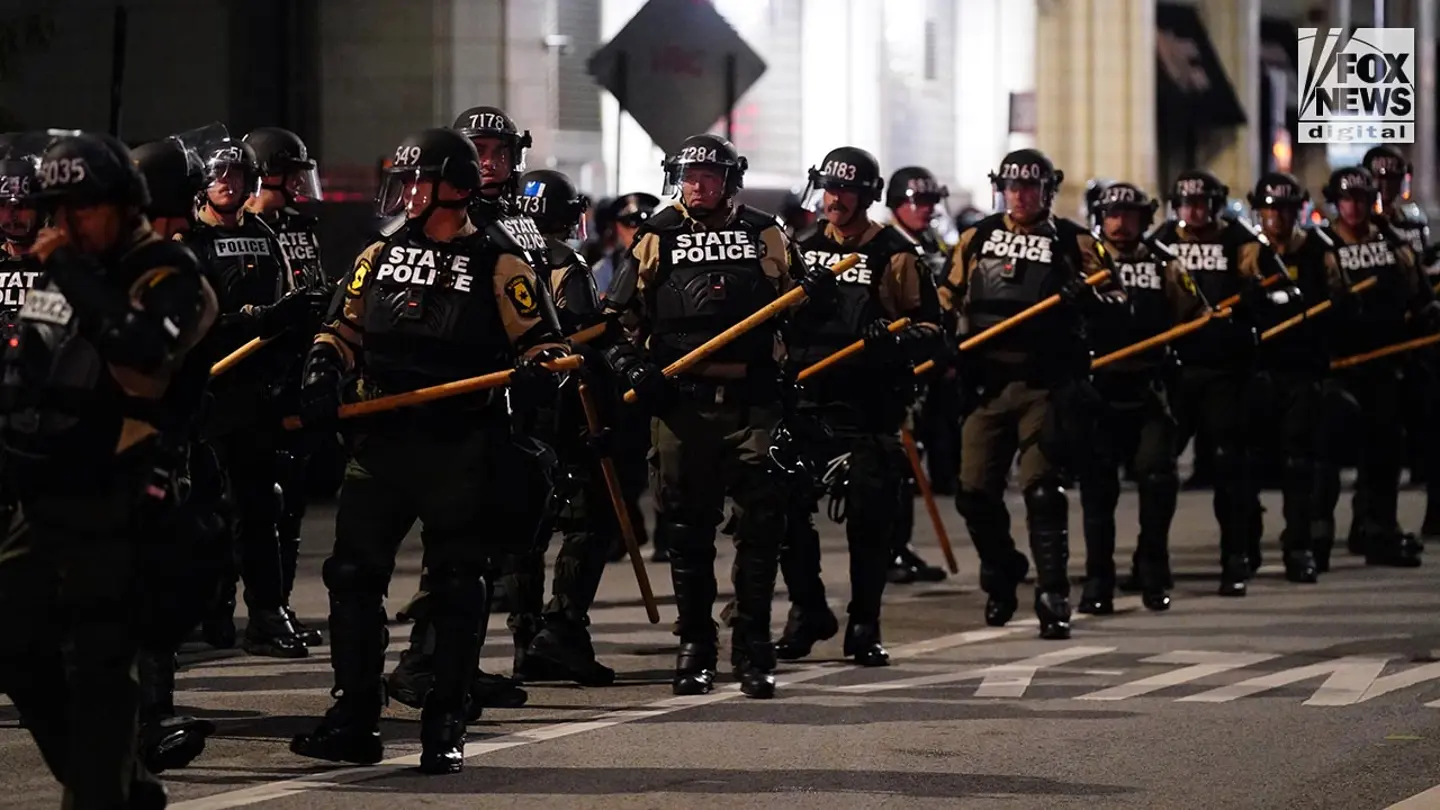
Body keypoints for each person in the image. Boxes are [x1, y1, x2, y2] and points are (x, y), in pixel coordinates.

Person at [290, 127, 571, 774]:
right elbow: (343, 326)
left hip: (461, 444)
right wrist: (320, 370)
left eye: (422, 181)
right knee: (353, 578)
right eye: (407, 180)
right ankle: (354, 718)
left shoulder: (501, 263)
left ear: (458, 188)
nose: (409, 193)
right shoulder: (379, 254)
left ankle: (445, 721)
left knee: (456, 586)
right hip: (383, 443)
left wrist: (537, 371)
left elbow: (545, 346)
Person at [0, 131, 217, 810]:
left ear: (125, 205)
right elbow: (30, 365)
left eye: (81, 208)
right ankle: (121, 786)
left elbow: (144, 362)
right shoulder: (66, 266)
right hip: (48, 492)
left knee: (98, 671)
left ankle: (102, 793)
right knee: (11, 634)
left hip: (123, 496)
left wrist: (72, 275)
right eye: (57, 210)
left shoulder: (170, 272)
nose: (65, 224)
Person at [600, 132, 833, 698]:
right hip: (683, 403)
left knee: (761, 524)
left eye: (707, 176)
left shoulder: (764, 232)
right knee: (686, 529)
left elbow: (799, 316)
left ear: (730, 181)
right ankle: (695, 646)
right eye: (687, 176)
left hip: (754, 401)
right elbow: (615, 320)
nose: (695, 186)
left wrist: (819, 296)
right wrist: (633, 369)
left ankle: (752, 646)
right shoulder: (657, 234)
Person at [937, 148, 1126, 639]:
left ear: (1048, 189)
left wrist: (1086, 300)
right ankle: (1002, 570)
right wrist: (939, 341)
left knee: (1043, 490)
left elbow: (1119, 300)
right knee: (974, 491)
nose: (1020, 195)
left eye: (1031, 187)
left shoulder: (1073, 241)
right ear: (1000, 187)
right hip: (988, 385)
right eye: (1012, 186)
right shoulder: (976, 238)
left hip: (1047, 385)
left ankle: (1052, 592)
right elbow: (943, 299)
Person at [776, 147, 944, 666]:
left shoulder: (896, 254)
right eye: (829, 188)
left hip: (867, 408)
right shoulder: (796, 248)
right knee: (779, 510)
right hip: (806, 404)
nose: (835, 199)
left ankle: (865, 623)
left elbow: (933, 330)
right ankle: (807, 610)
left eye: (845, 190)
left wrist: (894, 342)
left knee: (870, 521)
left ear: (868, 196)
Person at [180, 136, 315, 654]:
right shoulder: (191, 240)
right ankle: (208, 612)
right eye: (221, 176)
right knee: (203, 511)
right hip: (207, 389)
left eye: (238, 177)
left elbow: (281, 304)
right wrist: (250, 322)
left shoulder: (264, 234)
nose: (229, 185)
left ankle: (264, 613)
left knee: (260, 506)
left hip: (254, 392)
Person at [499, 168, 617, 685]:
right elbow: (581, 341)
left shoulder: (496, 253)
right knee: (590, 518)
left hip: (507, 408)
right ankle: (562, 629)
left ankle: (525, 640)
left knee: (522, 524)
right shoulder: (565, 265)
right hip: (562, 410)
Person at [1151, 169, 1292, 595]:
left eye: (1202, 204)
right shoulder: (1160, 240)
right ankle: (1151, 559)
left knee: (1231, 465)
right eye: (1187, 203)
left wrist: (1259, 301)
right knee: (1157, 468)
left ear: (1215, 205)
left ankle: (1237, 554)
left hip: (1226, 371)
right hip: (1175, 369)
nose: (1195, 211)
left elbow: (1286, 292)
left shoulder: (1241, 240)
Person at [1077, 182, 1201, 613]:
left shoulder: (1165, 262)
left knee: (1157, 478)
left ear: (1144, 219)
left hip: (1147, 384)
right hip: (1097, 387)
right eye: (1113, 214)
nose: (1120, 222)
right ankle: (1098, 580)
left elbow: (1195, 313)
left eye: (1130, 215)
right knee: (1098, 488)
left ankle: (1152, 567)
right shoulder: (1083, 260)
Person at [1315, 165, 1437, 568]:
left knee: (1385, 447)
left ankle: (1376, 529)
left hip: (1385, 361)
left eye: (1362, 200)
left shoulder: (1393, 243)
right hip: (1335, 365)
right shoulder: (1321, 246)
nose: (1354, 207)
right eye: (1347, 200)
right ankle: (1315, 532)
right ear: (1337, 202)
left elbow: (1420, 297)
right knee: (1325, 448)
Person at [1246, 172, 1333, 581]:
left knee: (1299, 462)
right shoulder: (1247, 255)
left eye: (1283, 210)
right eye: (1269, 210)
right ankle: (1244, 546)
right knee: (1243, 461)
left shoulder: (1318, 252)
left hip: (1301, 373)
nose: (1276, 218)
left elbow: (1340, 309)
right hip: (1255, 372)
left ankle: (1300, 546)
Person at [884, 165, 955, 581]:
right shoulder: (886, 245)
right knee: (896, 460)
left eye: (931, 201)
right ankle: (888, 548)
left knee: (914, 459)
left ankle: (901, 545)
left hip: (929, 368)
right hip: (896, 367)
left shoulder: (931, 244)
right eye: (919, 202)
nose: (928, 209)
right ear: (896, 204)